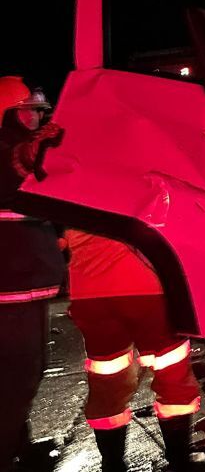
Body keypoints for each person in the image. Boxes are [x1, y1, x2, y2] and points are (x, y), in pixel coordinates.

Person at [62, 229, 201, 471]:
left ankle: (112, 463)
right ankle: (180, 461)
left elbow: (59, 239)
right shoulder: (145, 188)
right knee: (171, 371)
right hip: (148, 284)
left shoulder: (65, 189)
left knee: (106, 378)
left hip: (90, 291)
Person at [0, 76, 66, 471]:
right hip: (11, 285)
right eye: (33, 110)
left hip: (22, 283)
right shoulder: (8, 151)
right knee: (18, 377)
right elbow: (18, 166)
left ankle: (19, 446)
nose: (40, 118)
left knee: (15, 376)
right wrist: (40, 145)